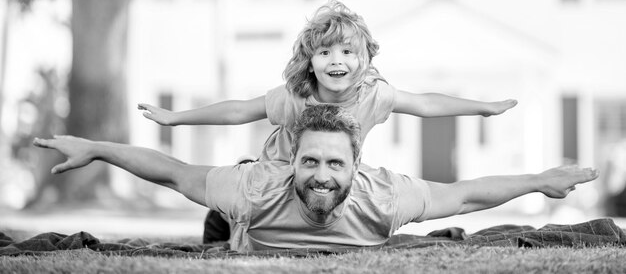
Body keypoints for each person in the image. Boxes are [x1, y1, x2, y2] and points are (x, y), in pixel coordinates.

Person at [137, 0, 518, 241]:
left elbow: (425, 104)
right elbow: (239, 110)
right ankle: (223, 223)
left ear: (364, 59)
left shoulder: (374, 95)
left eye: (347, 51)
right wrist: (176, 119)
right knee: (250, 215)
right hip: (278, 174)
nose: (337, 61)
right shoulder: (295, 97)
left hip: (329, 178)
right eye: (325, 52)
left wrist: (481, 107)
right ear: (311, 61)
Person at [33, 105, 598, 252]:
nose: (322, 175)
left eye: (334, 164)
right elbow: (174, 172)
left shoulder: (384, 194)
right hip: (241, 220)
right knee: (217, 228)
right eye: (310, 161)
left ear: (357, 167)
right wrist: (97, 150)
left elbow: (467, 194)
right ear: (291, 162)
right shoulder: (257, 186)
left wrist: (539, 180)